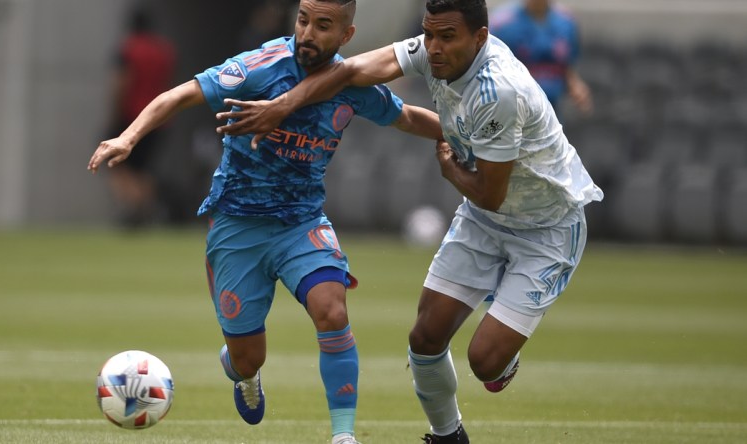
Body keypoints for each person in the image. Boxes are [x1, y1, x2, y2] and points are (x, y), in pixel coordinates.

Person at [213, 0, 604, 442]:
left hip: (546, 228)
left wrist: (450, 170)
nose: (433, 48)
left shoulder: (500, 92)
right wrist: (281, 106)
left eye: (447, 37)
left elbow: (491, 194)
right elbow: (346, 73)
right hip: (484, 221)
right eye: (429, 34)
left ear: (479, 38)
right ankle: (447, 435)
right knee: (425, 337)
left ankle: (504, 349)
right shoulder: (432, 47)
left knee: (485, 361)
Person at [88, 1, 442, 443]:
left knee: (331, 310)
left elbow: (405, 116)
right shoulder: (260, 67)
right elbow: (181, 94)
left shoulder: (352, 84)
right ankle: (241, 371)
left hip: (302, 223)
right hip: (239, 227)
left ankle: (344, 436)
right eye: (303, 20)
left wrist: (458, 134)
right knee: (248, 356)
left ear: (346, 36)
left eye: (323, 25)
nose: (308, 33)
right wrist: (128, 136)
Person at [105, 7, 176, 228]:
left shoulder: (129, 49)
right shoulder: (164, 51)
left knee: (115, 162)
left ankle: (135, 209)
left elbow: (122, 82)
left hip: (132, 115)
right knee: (144, 168)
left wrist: (115, 114)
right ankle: (146, 208)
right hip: (161, 118)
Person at [489, 0, 592, 116]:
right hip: (514, 113)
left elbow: (566, 67)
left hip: (552, 111)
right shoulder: (502, 24)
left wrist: (575, 86)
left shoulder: (566, 21)